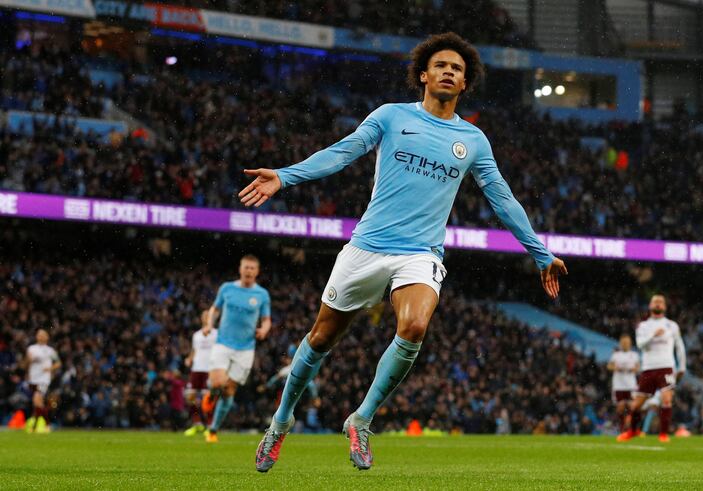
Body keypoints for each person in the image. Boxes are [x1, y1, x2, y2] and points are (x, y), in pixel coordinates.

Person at [239, 32, 567, 473]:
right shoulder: (392, 116)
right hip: (367, 248)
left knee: (414, 325)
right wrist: (285, 175)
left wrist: (539, 251)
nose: (450, 72)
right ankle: (280, 423)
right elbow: (343, 152)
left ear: (465, 84)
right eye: (443, 66)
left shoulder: (473, 140)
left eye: (459, 69)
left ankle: (362, 418)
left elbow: (502, 198)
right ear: (424, 74)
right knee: (320, 340)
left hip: (420, 254)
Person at [201, 255, 272, 443]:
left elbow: (266, 320)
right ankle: (211, 392)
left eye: (252, 268)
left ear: (257, 272)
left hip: (246, 349)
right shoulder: (227, 288)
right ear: (240, 269)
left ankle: (213, 430)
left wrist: (264, 330)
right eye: (246, 267)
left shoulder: (262, 295)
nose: (248, 271)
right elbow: (214, 310)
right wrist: (209, 325)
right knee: (217, 383)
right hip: (223, 343)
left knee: (229, 391)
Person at [617, 295, 686, 443]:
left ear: (665, 307)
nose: (658, 304)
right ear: (650, 305)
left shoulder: (672, 325)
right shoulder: (643, 326)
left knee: (667, 399)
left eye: (661, 302)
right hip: (648, 368)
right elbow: (641, 344)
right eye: (656, 301)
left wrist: (682, 366)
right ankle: (633, 431)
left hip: (666, 366)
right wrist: (653, 335)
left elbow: (679, 346)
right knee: (636, 405)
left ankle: (663, 434)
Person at [183, 310, 218, 436]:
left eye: (208, 315)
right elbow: (194, 351)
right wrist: (189, 359)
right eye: (204, 315)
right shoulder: (196, 335)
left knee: (207, 399)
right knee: (190, 396)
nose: (206, 317)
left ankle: (210, 426)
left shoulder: (216, 334)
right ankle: (197, 424)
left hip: (209, 370)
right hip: (196, 369)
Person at [23, 329, 60, 433]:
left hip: (43, 379)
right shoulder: (31, 349)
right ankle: (40, 425)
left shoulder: (50, 350)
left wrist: (50, 369)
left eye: (43, 334)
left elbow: (58, 363)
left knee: (36, 399)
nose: (40, 336)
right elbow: (26, 364)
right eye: (39, 334)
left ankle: (44, 425)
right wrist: (28, 361)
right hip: (33, 378)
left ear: (47, 337)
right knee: (38, 403)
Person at [607, 334, 639, 434]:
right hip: (619, 385)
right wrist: (615, 368)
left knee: (633, 407)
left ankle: (633, 429)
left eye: (627, 342)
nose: (625, 344)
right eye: (623, 342)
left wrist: (633, 369)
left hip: (631, 385)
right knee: (620, 407)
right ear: (621, 343)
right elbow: (609, 366)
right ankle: (622, 429)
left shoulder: (634, 355)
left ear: (630, 343)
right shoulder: (616, 355)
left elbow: (637, 368)